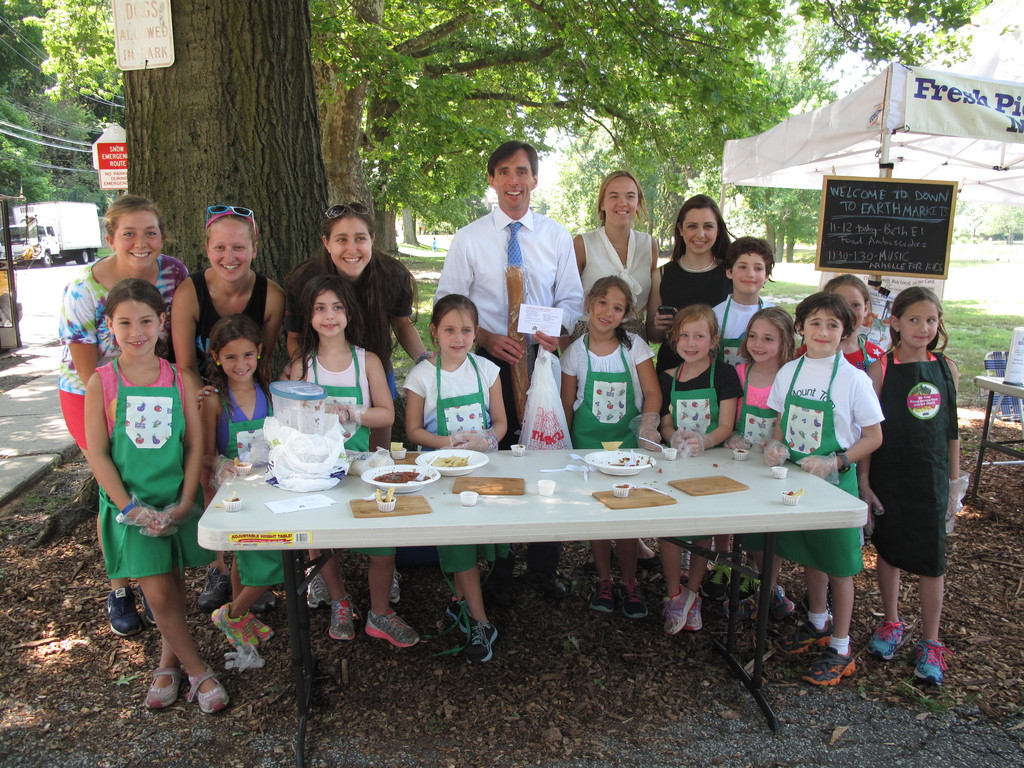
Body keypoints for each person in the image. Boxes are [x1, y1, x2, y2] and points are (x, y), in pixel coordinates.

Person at [435, 140, 584, 603]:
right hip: (489, 360)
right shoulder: (470, 238)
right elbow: (448, 303)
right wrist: (484, 338)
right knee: (497, 454)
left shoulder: (556, 236)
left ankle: (544, 563)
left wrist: (553, 331)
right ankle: (500, 562)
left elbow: (572, 300)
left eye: (522, 171)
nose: (514, 181)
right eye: (504, 172)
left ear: (535, 179)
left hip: (541, 358)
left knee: (545, 452)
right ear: (492, 180)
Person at [84, 278, 228, 713]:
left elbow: (193, 447)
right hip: (132, 511)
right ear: (109, 326)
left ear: (162, 322)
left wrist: (186, 502)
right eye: (124, 322)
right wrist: (131, 509)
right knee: (160, 596)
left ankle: (167, 665)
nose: (136, 332)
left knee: (175, 589)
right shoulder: (102, 383)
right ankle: (199, 671)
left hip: (175, 504)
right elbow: (99, 455)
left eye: (146, 320)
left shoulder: (179, 380)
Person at [58, 195, 188, 638]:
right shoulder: (83, 291)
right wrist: (115, 405)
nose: (140, 241)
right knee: (111, 476)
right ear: (109, 237)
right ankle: (120, 584)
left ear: (162, 236)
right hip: (96, 391)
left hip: (153, 385)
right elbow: (85, 367)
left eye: (150, 231)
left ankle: (159, 579)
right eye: (128, 233)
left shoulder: (174, 273)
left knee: (152, 471)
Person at [287, 275, 418, 647]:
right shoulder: (303, 366)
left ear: (349, 313)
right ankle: (339, 601)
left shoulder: (367, 361)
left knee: (382, 540)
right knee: (321, 537)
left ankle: (379, 612)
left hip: (361, 467)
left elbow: (387, 415)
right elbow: (291, 421)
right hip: (317, 471)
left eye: (337, 307)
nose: (329, 316)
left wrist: (352, 412)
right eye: (320, 308)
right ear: (309, 316)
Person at [764, 292, 883, 686]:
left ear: (845, 332)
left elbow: (874, 436)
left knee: (839, 564)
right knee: (811, 554)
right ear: (800, 327)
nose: (823, 331)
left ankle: (841, 645)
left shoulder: (853, 378)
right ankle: (817, 621)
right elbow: (781, 421)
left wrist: (837, 462)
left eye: (833, 325)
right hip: (798, 482)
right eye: (814, 322)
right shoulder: (789, 372)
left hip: (836, 485)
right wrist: (776, 444)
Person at [171, 204, 285, 615]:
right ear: (207, 248)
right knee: (208, 475)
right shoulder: (190, 291)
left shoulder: (270, 295)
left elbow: (263, 358)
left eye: (239, 247)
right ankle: (220, 566)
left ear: (254, 247)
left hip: (248, 394)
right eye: (220, 248)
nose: (229, 257)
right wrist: (204, 399)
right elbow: (184, 364)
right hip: (203, 393)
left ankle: (255, 565)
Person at [859, 287, 960, 684]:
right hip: (891, 474)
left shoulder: (945, 368)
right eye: (914, 320)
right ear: (895, 322)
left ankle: (932, 641)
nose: (923, 327)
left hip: (932, 475)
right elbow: (870, 429)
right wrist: (865, 481)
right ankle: (891, 621)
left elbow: (952, 431)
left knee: (933, 557)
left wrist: (954, 482)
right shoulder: (881, 369)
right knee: (892, 548)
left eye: (931, 320)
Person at [404, 294, 506, 663]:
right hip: (440, 474)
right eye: (449, 329)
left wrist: (487, 439)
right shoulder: (421, 376)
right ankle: (480, 619)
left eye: (466, 330)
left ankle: (463, 601)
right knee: (458, 541)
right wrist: (447, 443)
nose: (458, 337)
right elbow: (413, 430)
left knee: (477, 538)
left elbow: (501, 422)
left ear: (476, 334)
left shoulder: (486, 370)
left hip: (480, 470)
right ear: (433, 332)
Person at [284, 203, 426, 446]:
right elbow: (294, 337)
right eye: (341, 240)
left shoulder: (392, 275)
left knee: (377, 448)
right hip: (321, 369)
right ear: (326, 243)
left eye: (360, 238)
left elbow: (402, 325)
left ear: (372, 238)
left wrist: (424, 361)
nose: (351, 249)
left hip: (376, 367)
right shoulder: (304, 280)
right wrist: (304, 367)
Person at [560, 277, 661, 619]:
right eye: (603, 303)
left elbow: (652, 392)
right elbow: (567, 401)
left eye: (617, 308)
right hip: (588, 447)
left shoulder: (634, 347)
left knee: (626, 517)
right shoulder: (574, 352)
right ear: (589, 302)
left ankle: (629, 582)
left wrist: (648, 425)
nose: (608, 312)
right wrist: (566, 446)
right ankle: (604, 580)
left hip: (628, 448)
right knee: (598, 516)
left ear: (626, 313)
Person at [657, 305, 741, 634]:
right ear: (674, 338)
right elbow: (665, 421)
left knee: (701, 525)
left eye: (699, 336)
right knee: (670, 524)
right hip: (677, 463)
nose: (691, 343)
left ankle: (693, 590)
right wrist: (673, 436)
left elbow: (726, 424)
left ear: (714, 340)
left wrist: (703, 442)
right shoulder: (667, 377)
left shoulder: (724, 375)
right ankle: (673, 593)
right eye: (684, 335)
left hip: (712, 463)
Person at [200, 314, 280, 652]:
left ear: (259, 352)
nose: (241, 363)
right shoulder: (214, 399)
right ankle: (234, 613)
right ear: (216, 357)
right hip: (236, 494)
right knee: (264, 563)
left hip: (272, 488)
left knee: (264, 558)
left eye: (248, 354)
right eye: (230, 356)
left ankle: (237, 614)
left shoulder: (270, 392)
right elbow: (206, 455)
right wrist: (224, 465)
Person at [723, 307, 798, 620]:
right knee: (746, 527)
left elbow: (785, 419)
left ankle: (768, 588)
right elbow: (731, 418)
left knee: (769, 531)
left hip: (772, 466)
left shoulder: (790, 375)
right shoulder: (741, 373)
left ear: (785, 342)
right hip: (741, 461)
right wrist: (732, 438)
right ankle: (751, 583)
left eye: (768, 338)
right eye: (753, 336)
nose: (758, 343)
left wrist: (777, 442)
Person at [647, 195, 733, 372]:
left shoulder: (730, 274)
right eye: (692, 226)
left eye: (708, 226)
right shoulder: (661, 275)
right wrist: (659, 325)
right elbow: (653, 336)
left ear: (718, 229)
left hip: (719, 372)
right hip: (672, 371)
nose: (700, 234)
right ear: (680, 229)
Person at [573, 171, 658, 338]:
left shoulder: (648, 244)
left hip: (635, 340)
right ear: (602, 203)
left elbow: (651, 304)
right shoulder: (583, 244)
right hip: (589, 338)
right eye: (614, 196)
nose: (622, 203)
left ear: (638, 203)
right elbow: (565, 301)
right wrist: (568, 349)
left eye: (630, 196)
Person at [796, 275, 884, 371]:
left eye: (855, 305)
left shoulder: (877, 357)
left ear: (865, 309)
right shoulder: (801, 355)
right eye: (839, 304)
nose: (848, 311)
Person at [713, 237, 775, 368]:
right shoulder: (714, 316)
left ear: (766, 276)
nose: (750, 274)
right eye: (742, 267)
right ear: (729, 272)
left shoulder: (776, 316)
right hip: (723, 387)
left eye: (758, 268)